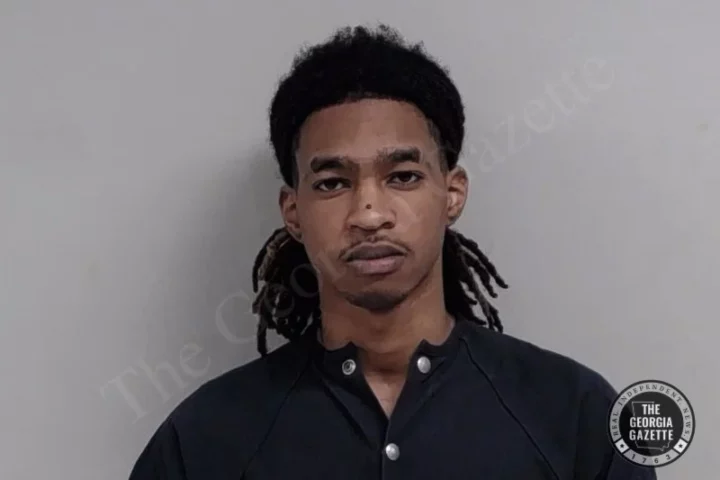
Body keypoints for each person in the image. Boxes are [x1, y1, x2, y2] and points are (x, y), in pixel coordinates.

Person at [129, 24, 657, 479]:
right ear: (293, 212)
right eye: (332, 183)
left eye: (402, 176)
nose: (368, 214)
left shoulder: (575, 415)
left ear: (452, 194)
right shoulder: (206, 439)